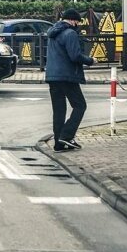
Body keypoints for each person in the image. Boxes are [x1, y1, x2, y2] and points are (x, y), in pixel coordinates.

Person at [45, 9, 96, 152]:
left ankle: (58, 144)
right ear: (73, 20)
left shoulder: (52, 32)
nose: (78, 25)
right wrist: (90, 60)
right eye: (78, 22)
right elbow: (75, 56)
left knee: (59, 110)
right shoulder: (70, 33)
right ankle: (66, 136)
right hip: (67, 76)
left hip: (52, 76)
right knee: (80, 105)